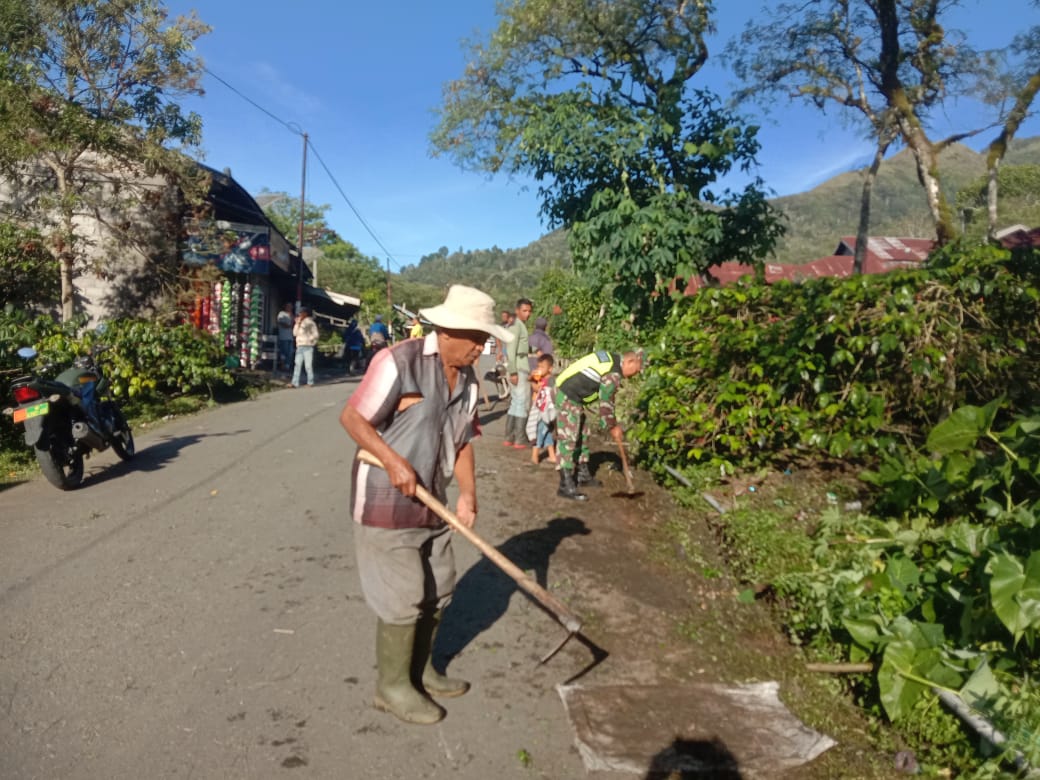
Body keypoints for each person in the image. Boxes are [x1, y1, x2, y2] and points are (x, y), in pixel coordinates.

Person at [339, 284, 513, 726]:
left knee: (440, 586)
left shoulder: (469, 380)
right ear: (447, 330)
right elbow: (353, 418)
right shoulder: (399, 361)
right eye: (475, 337)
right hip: (386, 498)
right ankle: (392, 687)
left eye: (484, 339)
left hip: (432, 500)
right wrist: (393, 461)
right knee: (402, 596)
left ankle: (420, 671)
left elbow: (464, 439)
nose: (480, 348)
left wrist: (469, 495)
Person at [553, 349, 644, 500]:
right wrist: (612, 427)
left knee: (583, 433)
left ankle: (583, 474)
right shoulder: (612, 373)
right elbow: (606, 403)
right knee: (568, 438)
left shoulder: (612, 361)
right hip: (566, 394)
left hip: (575, 396)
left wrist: (611, 424)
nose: (636, 374)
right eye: (636, 369)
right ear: (629, 362)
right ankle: (565, 485)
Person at [503, 297, 533, 449]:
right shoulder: (516, 326)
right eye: (524, 310)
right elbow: (511, 349)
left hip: (518, 366)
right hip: (518, 367)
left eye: (529, 311)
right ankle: (519, 438)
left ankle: (510, 436)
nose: (527, 314)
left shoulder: (517, 325)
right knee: (522, 402)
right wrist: (513, 371)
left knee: (515, 402)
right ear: (517, 311)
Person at [528, 353, 557, 466]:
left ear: (550, 369)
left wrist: (536, 385)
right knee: (548, 432)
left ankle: (535, 456)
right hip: (541, 409)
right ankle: (552, 455)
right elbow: (536, 388)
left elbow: (545, 393)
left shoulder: (550, 381)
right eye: (538, 366)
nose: (539, 369)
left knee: (538, 431)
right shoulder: (541, 378)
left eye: (542, 367)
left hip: (544, 411)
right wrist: (532, 380)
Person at [291, 306, 320, 388]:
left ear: (305, 313)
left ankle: (310, 382)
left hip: (308, 346)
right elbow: (294, 333)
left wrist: (309, 340)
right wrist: (297, 324)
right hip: (299, 345)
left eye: (301, 313)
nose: (300, 314)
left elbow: (316, 334)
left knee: (308, 365)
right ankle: (295, 382)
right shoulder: (299, 323)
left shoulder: (310, 322)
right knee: (297, 364)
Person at [277, 302, 295, 372]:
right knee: (283, 352)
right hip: (283, 336)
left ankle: (287, 366)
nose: (289, 308)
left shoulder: (292, 315)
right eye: (288, 306)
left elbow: (294, 324)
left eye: (290, 306)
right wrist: (289, 326)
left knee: (290, 352)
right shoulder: (281, 314)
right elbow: (281, 323)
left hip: (290, 336)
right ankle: (282, 365)